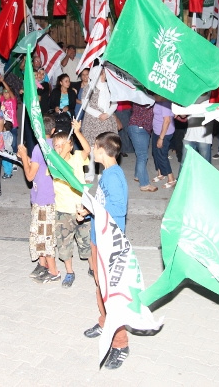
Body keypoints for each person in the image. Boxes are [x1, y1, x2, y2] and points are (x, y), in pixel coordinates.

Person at [81, 132, 130, 370]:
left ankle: (121, 344)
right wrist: (87, 211)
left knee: (111, 293)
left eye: (94, 146)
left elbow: (118, 209)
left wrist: (92, 208)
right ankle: (104, 322)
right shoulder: (107, 173)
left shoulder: (113, 177)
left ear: (102, 150)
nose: (92, 150)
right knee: (100, 286)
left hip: (108, 239)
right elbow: (103, 203)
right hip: (98, 237)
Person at [50, 122, 91, 287]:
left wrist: (78, 132)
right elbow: (57, 167)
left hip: (81, 209)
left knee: (86, 241)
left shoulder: (77, 158)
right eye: (56, 145)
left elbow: (87, 149)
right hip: (63, 211)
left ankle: (92, 267)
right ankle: (69, 272)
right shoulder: (53, 164)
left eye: (63, 144)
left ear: (70, 145)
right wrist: (62, 152)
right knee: (64, 244)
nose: (60, 147)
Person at [17, 116, 58, 279]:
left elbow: (29, 176)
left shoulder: (38, 147)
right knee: (39, 233)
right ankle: (42, 264)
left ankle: (53, 272)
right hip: (45, 195)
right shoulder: (54, 145)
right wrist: (26, 158)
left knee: (45, 235)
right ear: (53, 131)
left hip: (44, 198)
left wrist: (24, 156)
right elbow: (38, 165)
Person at [80, 69, 118, 181]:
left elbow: (115, 103)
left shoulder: (110, 87)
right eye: (103, 73)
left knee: (105, 148)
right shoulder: (89, 87)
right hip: (92, 122)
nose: (105, 75)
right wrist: (98, 114)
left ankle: (103, 173)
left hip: (107, 121)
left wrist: (107, 114)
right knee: (91, 149)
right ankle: (90, 173)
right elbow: (85, 105)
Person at [151, 96, 177, 189]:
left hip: (164, 133)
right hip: (156, 131)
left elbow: (167, 121)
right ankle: (161, 173)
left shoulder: (165, 103)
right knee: (155, 153)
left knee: (162, 155)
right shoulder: (158, 101)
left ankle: (171, 178)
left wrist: (161, 138)